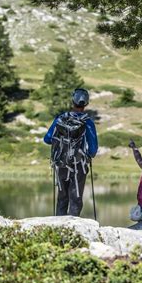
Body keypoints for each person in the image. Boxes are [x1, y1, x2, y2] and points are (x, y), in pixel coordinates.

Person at [43, 88, 98, 216]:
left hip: (61, 163)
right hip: (79, 165)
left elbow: (47, 139)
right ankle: (73, 228)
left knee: (62, 197)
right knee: (76, 198)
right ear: (86, 104)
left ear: (72, 101)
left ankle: (58, 228)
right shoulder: (88, 122)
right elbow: (93, 151)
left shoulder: (60, 119)